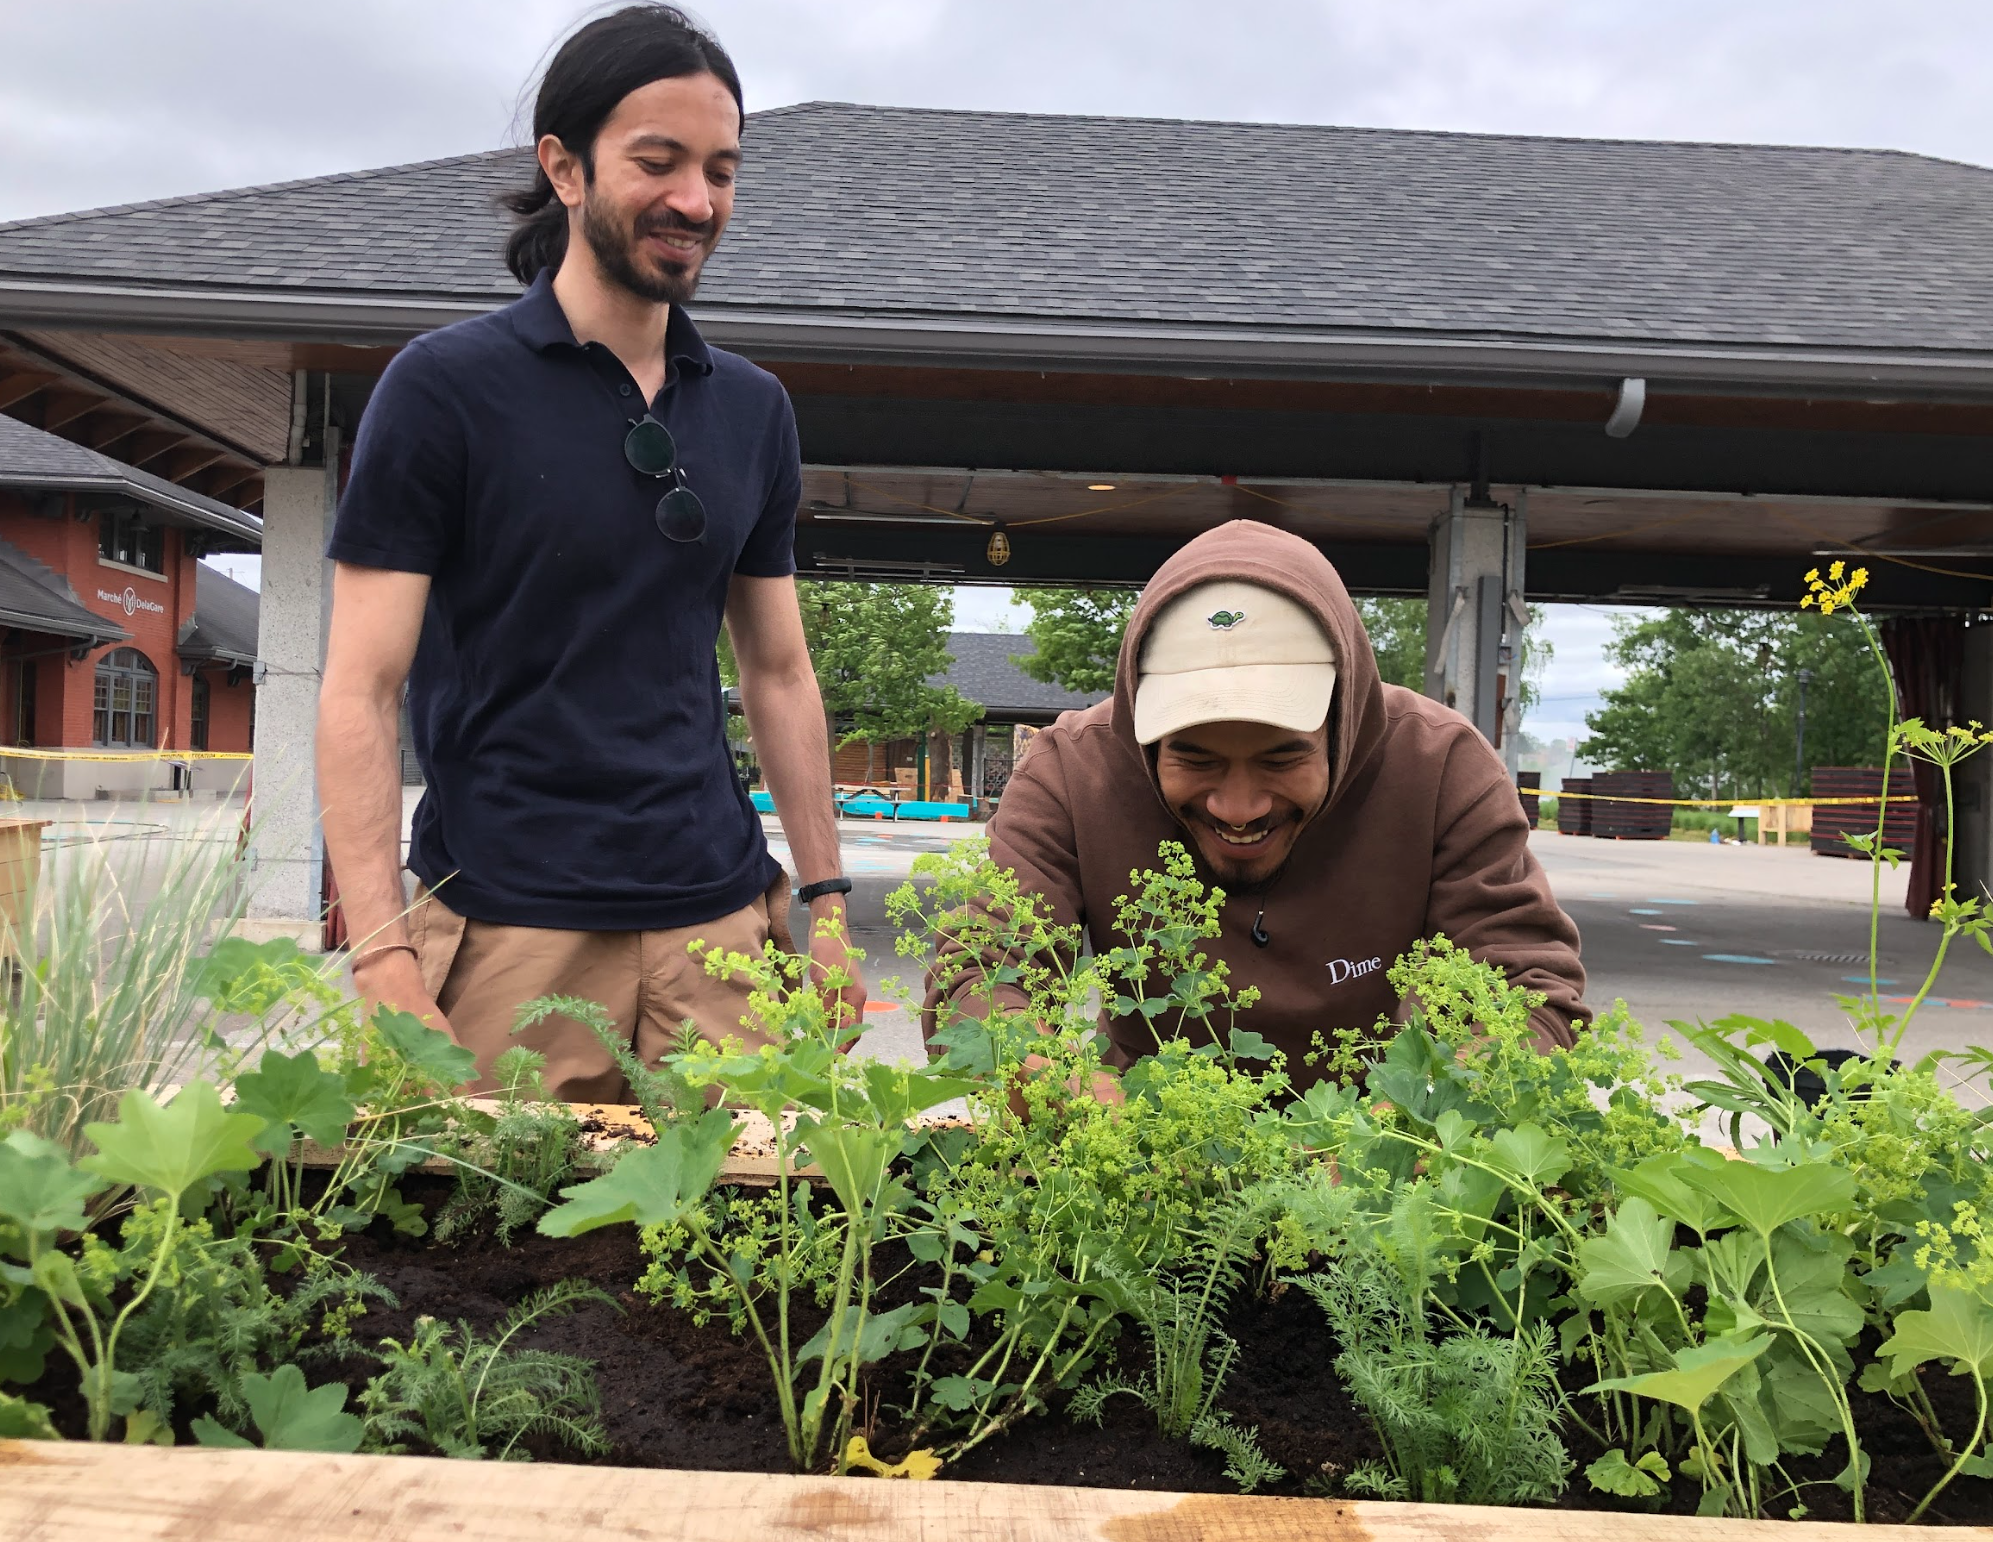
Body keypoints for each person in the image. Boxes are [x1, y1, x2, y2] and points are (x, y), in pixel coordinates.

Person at [318, 6, 860, 1103]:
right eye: (656, 162)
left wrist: (831, 901)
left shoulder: (753, 411)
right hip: (509, 933)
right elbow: (360, 688)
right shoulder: (445, 390)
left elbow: (779, 671)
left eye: (720, 169)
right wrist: (379, 944)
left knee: (739, 1264)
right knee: (489, 1259)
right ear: (563, 168)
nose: (696, 201)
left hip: (719, 931)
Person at [928, 520, 1585, 1084]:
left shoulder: (1440, 768)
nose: (1237, 807)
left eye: (1282, 757)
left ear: (1345, 721)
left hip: (1374, 1142)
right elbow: (977, 976)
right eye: (1194, 757)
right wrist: (1058, 1091)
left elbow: (1528, 991)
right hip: (1141, 1143)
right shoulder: (1074, 771)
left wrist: (1426, 1119)